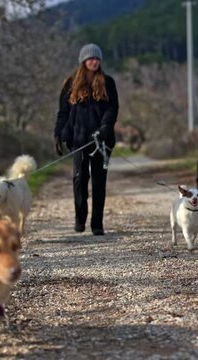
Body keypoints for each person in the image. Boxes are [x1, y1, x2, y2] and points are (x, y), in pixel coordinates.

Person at [54, 43, 118, 236]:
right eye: (90, 58)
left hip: (101, 141)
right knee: (79, 179)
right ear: (83, 61)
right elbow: (63, 112)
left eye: (97, 59)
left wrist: (106, 126)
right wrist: (58, 134)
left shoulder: (108, 82)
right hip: (78, 140)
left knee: (99, 183)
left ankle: (97, 223)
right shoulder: (70, 84)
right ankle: (79, 218)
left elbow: (113, 108)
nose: (94, 61)